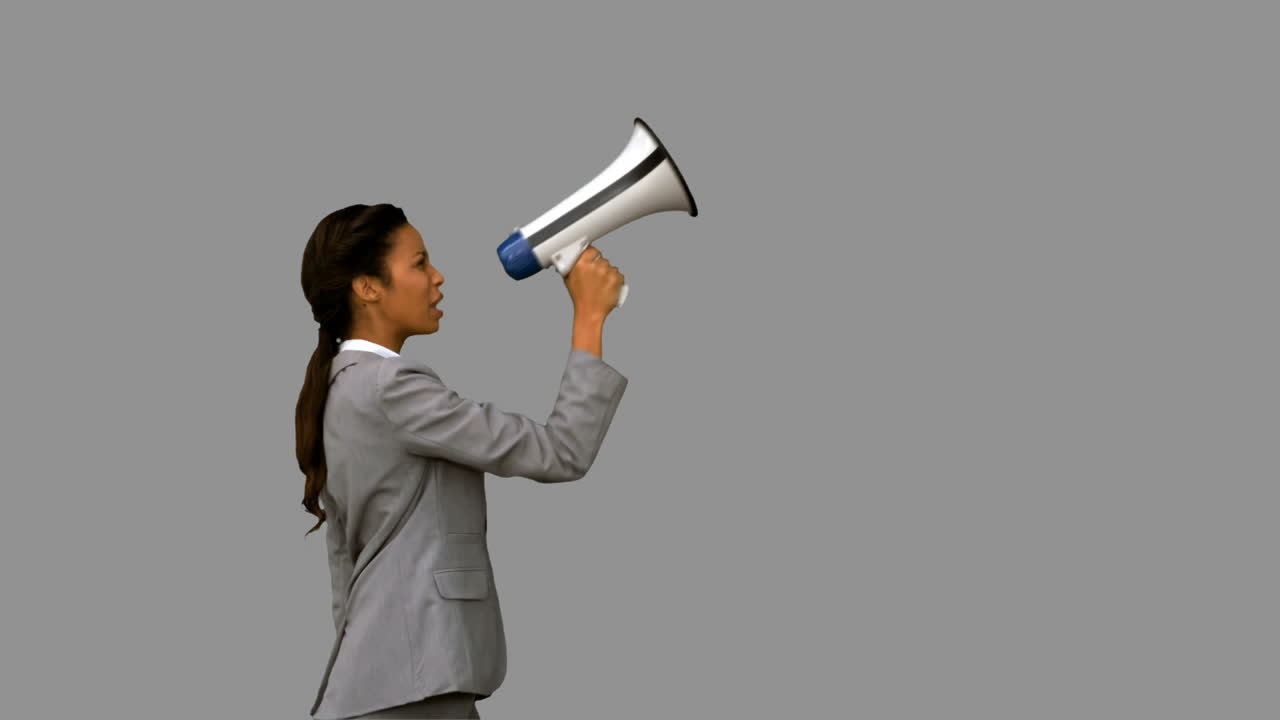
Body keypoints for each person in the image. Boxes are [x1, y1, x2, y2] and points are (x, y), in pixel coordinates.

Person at [295, 203, 629, 719]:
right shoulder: (389, 389)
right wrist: (589, 318)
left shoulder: (341, 385)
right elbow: (561, 451)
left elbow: (347, 560)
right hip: (417, 678)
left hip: (394, 677)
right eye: (420, 263)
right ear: (367, 287)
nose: (437, 277)